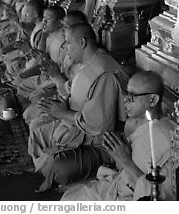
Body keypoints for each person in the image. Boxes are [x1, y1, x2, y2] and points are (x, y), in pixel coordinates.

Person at [27, 22, 129, 192]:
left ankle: (64, 172)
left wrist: (63, 113)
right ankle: (51, 168)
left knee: (58, 168)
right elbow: (72, 93)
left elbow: (99, 126)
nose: (65, 47)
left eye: (67, 42)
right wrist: (59, 106)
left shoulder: (104, 73)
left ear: (82, 43)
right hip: (75, 129)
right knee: (37, 131)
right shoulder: (88, 65)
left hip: (100, 144)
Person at [61, 70, 175, 201]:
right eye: (126, 93)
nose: (125, 100)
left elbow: (154, 196)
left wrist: (125, 160)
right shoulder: (132, 124)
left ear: (152, 100)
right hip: (116, 186)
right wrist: (118, 155)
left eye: (133, 96)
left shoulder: (162, 137)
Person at [22, 9, 88, 125]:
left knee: (35, 114)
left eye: (66, 27)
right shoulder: (66, 45)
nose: (63, 30)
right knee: (29, 106)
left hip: (70, 105)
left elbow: (72, 94)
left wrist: (56, 76)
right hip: (59, 87)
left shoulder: (83, 61)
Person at [16, 5, 66, 100]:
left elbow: (63, 72)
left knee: (33, 96)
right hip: (44, 75)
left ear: (59, 23)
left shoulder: (62, 43)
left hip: (54, 81)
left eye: (49, 19)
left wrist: (44, 60)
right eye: (44, 18)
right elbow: (41, 56)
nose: (44, 22)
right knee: (21, 85)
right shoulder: (49, 36)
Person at [3, 0, 45, 82]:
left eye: (26, 14)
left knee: (15, 74)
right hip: (30, 60)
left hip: (37, 66)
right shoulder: (36, 27)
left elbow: (40, 59)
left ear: (36, 14)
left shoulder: (41, 31)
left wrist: (27, 51)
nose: (24, 17)